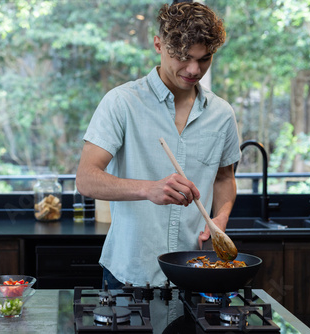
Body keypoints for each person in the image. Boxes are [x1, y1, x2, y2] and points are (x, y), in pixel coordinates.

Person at [76, 1, 241, 289]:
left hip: (194, 273)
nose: (194, 69)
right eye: (185, 57)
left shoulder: (222, 114)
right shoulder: (122, 102)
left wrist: (220, 218)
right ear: (158, 45)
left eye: (204, 59)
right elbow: (86, 180)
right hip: (128, 275)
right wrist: (148, 188)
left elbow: (225, 177)